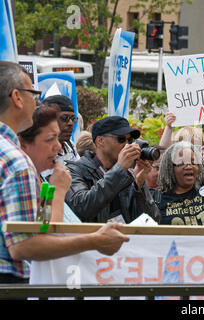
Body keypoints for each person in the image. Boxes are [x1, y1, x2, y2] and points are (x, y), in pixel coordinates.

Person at [0, 61, 129, 284]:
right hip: (10, 284)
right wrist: (95, 241)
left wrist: (54, 193)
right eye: (33, 93)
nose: (58, 147)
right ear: (17, 98)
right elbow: (23, 246)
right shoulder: (16, 162)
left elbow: (42, 227)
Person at [65, 116, 161, 224]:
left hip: (124, 238)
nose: (127, 145)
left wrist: (139, 185)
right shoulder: (75, 170)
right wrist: (119, 169)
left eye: (130, 140)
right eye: (121, 139)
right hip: (93, 238)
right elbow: (81, 208)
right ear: (100, 141)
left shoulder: (127, 173)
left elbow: (153, 220)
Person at [18, 106, 80, 223]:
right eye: (50, 139)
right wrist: (58, 191)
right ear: (23, 143)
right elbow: (46, 234)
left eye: (57, 138)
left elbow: (43, 221)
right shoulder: (21, 175)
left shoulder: (40, 179)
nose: (59, 147)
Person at [40, 95, 80, 179]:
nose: (70, 123)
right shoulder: (36, 152)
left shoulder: (70, 146)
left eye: (73, 119)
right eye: (65, 118)